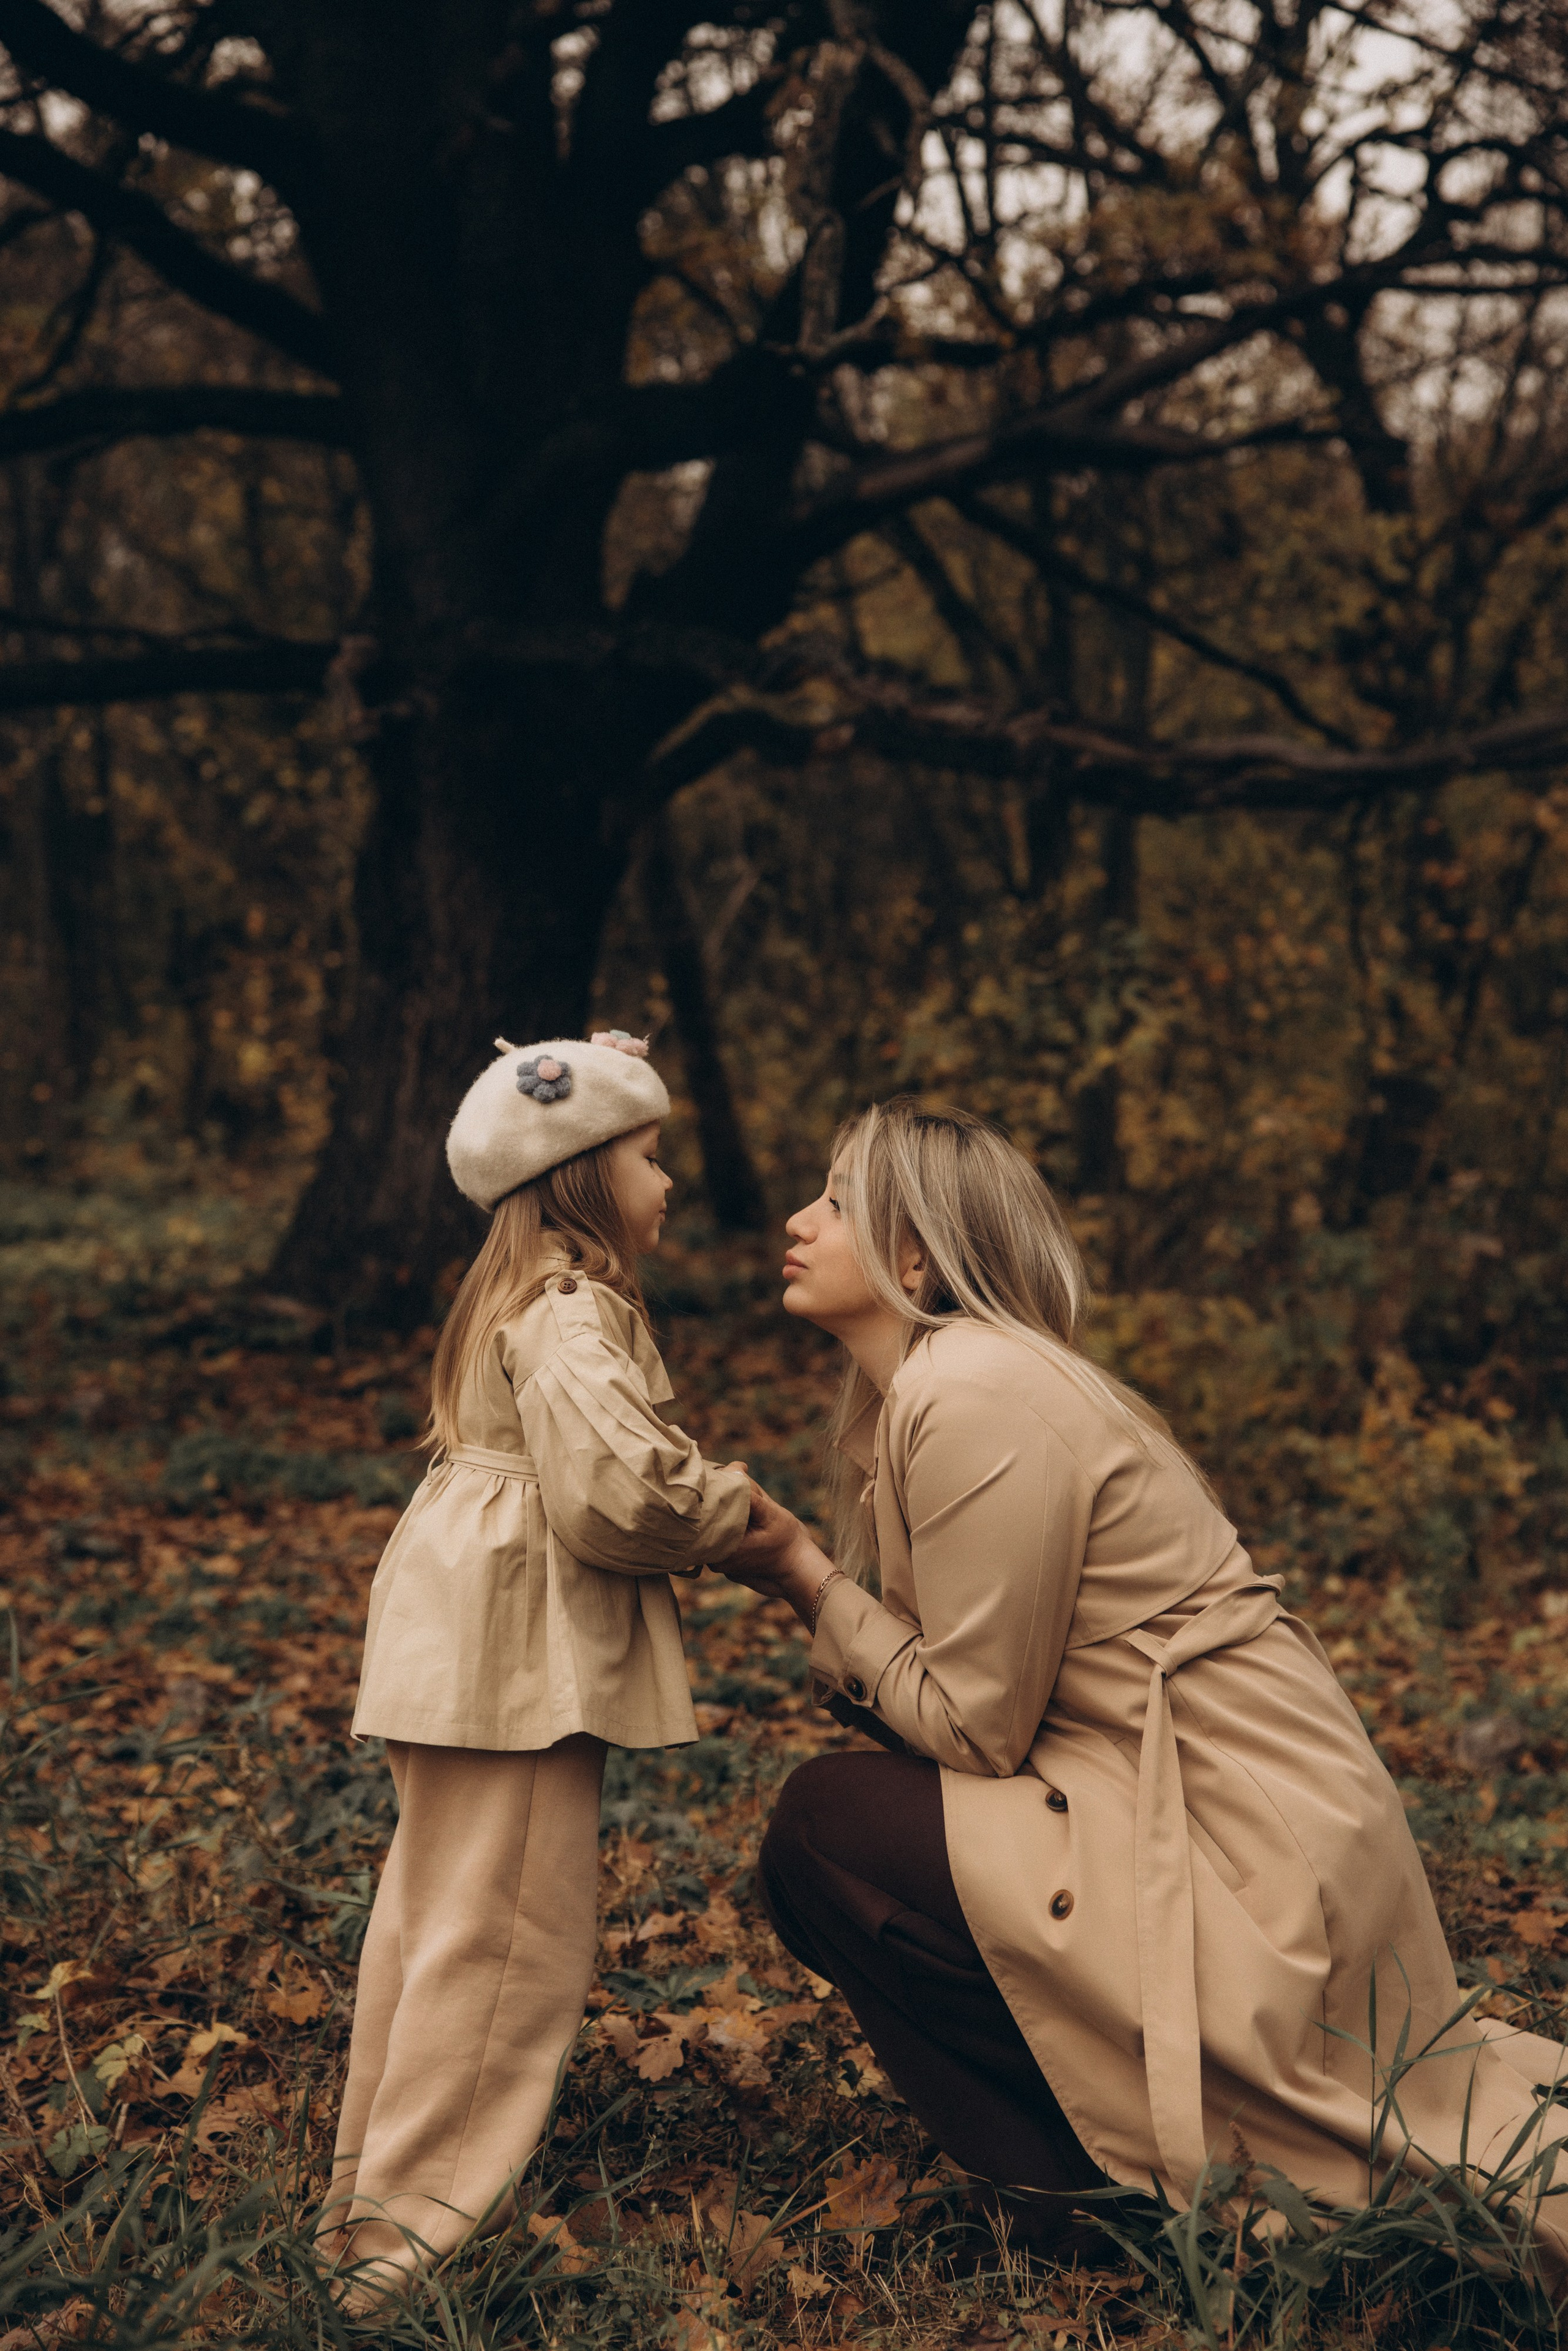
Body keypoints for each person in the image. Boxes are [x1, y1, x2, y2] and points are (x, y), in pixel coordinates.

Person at [720, 1098, 1568, 2268]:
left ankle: (1088, 2204)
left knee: (823, 1828)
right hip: (1233, 1808)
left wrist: (803, 1577)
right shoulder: (952, 1386)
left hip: (1243, 1841)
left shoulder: (970, 1391)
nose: (798, 1217)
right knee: (824, 1847)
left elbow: (973, 1728)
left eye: (833, 1195)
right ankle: (1090, 2156)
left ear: (914, 1253)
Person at [318, 1032, 752, 2312]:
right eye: (648, 1155)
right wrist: (736, 1514)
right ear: (580, 1179)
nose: (668, 1182)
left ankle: (367, 2201)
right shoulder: (569, 1314)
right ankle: (403, 2260)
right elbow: (620, 1489)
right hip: (515, 1653)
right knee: (505, 1941)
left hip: (462, 1634)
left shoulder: (509, 1298)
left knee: (434, 1920)